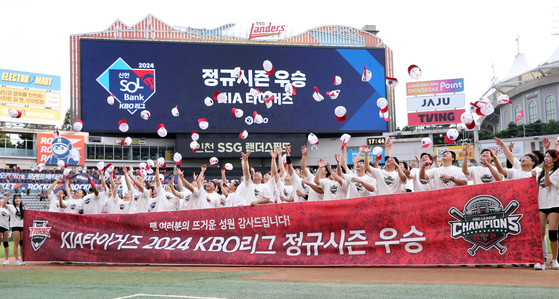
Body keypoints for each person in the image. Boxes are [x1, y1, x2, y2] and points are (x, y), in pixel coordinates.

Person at [534, 150, 559, 270]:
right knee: (541, 233)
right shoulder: (541, 172)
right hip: (542, 205)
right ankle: (540, 260)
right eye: (546, 157)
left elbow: (548, 183)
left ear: (555, 159)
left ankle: (554, 259)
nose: (546, 158)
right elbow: (539, 189)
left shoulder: (557, 171)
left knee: (553, 233)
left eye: (549, 157)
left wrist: (547, 171)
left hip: (554, 204)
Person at [3, 192, 26, 265]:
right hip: (15, 226)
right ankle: (16, 259)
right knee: (16, 243)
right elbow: (5, 205)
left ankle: (22, 259)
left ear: (21, 200)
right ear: (14, 200)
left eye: (19, 198)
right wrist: (7, 196)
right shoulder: (11, 206)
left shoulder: (23, 208)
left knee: (22, 243)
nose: (17, 199)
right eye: (16, 198)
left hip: (22, 226)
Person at [0, 195, 9, 265]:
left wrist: (7, 197)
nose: (2, 200)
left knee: (6, 243)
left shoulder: (6, 210)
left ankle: (6, 259)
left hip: (6, 227)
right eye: (1, 199)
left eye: (2, 199)